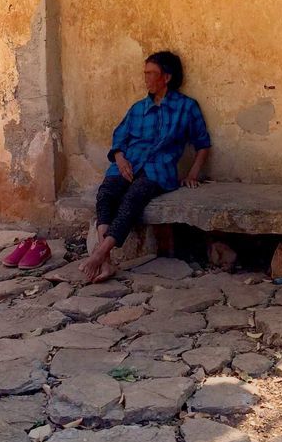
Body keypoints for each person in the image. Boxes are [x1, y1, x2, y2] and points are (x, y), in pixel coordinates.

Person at [81, 50, 211, 283]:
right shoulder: (137, 109)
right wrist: (120, 160)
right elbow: (119, 139)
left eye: (152, 73)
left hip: (158, 170)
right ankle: (107, 262)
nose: (146, 78)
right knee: (106, 195)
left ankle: (101, 253)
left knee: (133, 199)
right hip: (127, 165)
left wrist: (193, 173)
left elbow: (203, 143)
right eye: (145, 73)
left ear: (167, 77)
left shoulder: (186, 107)